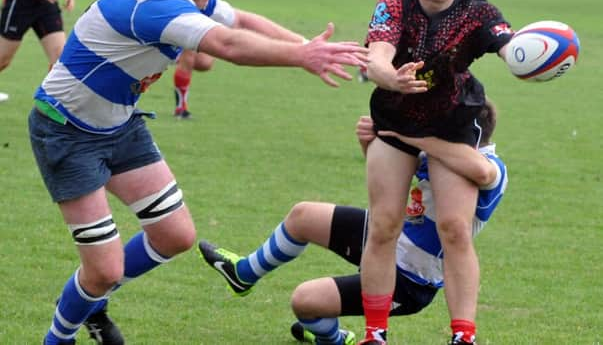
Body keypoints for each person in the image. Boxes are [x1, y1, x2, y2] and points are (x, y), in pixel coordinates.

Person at [29, 0, 367, 345]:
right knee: (103, 269)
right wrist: (301, 57)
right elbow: (227, 44)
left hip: (119, 125)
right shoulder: (152, 4)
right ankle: (58, 338)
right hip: (66, 131)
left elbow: (241, 20)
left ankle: (91, 301)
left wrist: (310, 46)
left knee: (175, 236)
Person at [198, 100, 507, 345]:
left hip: (411, 280)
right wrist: (371, 142)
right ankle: (243, 274)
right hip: (385, 237)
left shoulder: (491, 166)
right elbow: (386, 179)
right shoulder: (436, 151)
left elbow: (481, 173)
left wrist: (409, 135)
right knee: (302, 216)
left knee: (304, 301)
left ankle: (332, 338)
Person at [360, 0, 514, 345]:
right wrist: (390, 76)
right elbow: (376, 56)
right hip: (395, 118)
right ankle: (375, 334)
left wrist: (532, 57)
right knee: (384, 224)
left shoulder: (477, 11)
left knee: (454, 228)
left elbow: (511, 48)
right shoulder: (396, 0)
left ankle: (463, 336)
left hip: (452, 121)